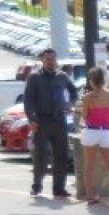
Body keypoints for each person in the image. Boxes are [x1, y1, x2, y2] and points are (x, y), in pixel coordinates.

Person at [23, 48, 78, 199]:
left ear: (56, 60)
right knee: (40, 155)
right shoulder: (34, 77)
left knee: (61, 155)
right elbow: (28, 100)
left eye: (53, 59)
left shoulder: (62, 76)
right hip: (42, 121)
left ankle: (59, 188)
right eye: (47, 59)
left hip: (59, 120)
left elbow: (74, 92)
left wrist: (70, 104)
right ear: (42, 60)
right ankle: (37, 186)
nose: (50, 61)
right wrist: (32, 119)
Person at [79, 66, 109, 205]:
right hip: (106, 131)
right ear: (103, 80)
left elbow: (85, 116)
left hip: (91, 131)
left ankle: (91, 196)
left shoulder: (87, 97)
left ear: (92, 81)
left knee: (89, 166)